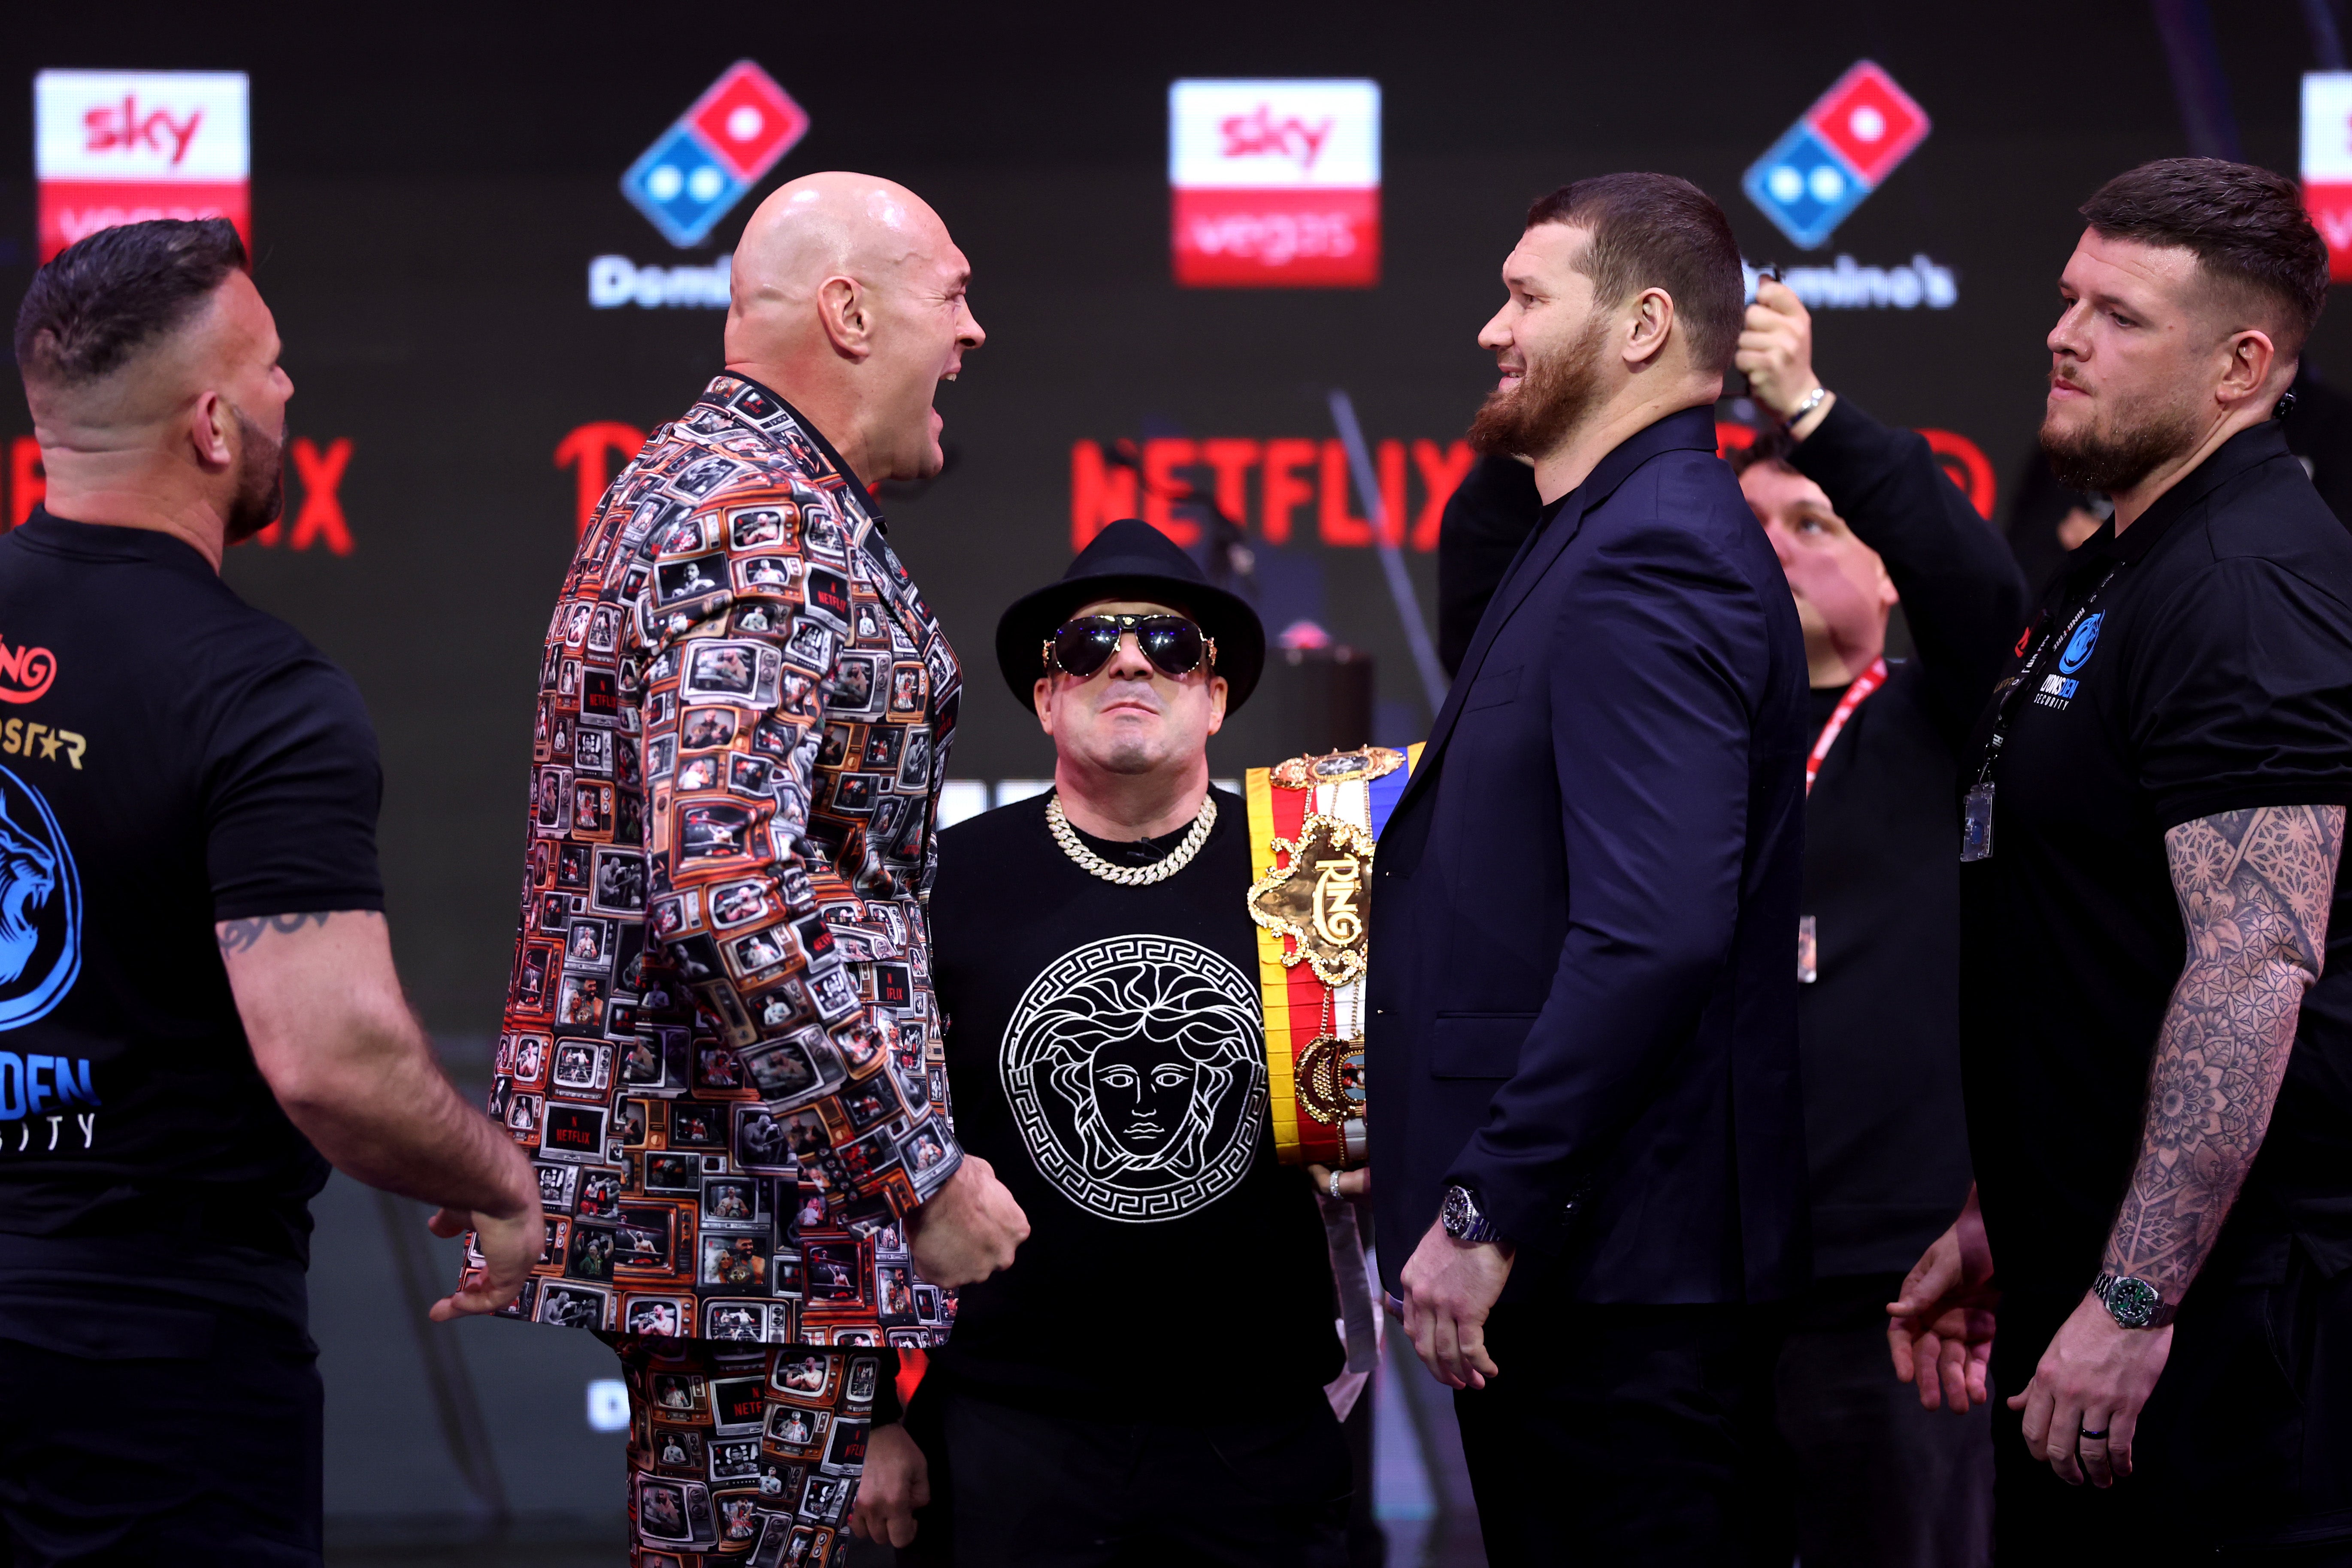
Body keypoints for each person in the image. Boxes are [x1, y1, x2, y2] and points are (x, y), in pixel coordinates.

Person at [482, 172, 1028, 1568]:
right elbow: (729, 890)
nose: (973, 333)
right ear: (849, 311)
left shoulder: (721, 486)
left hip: (741, 1213)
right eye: (953, 293)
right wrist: (917, 1172)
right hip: (754, 1217)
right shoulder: (754, 514)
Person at [0, 218, 541, 1562]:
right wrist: (500, 1178)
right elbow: (334, 1059)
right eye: (276, 368)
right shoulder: (259, 693)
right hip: (147, 1361)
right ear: (212, 426)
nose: (294, 390)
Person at [1887, 158, 2352, 1556]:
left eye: (2120, 314)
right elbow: (2085, 937)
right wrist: (2006, 1215)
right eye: (2068, 298)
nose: (2064, 333)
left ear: (2241, 365)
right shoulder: (2130, 558)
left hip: (2219, 1337)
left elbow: (2254, 958)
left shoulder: (2245, 584)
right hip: (2092, 1286)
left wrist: (2136, 1297)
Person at [1363, 173, 1809, 1561]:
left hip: (1619, 1281)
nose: (1493, 328)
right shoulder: (1591, 531)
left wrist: (1491, 1202)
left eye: (1527, 295)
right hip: (1598, 1276)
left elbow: (1653, 929)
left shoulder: (1656, 548)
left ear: (1641, 326)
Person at [853, 518, 1348, 1565]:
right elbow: (861, 1139)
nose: (1127, 659)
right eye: (1086, 648)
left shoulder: (1312, 881)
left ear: (1217, 695)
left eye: (1169, 645)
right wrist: (868, 1414)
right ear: (1045, 698)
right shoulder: (943, 879)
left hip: (1256, 1428)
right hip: (1006, 1425)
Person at [1731, 281, 2028, 1566]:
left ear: (1883, 573)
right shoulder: (1671, 742)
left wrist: (1806, 413)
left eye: (1815, 523)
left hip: (1898, 1289)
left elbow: (1979, 587)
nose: (1783, 548)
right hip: (1694, 1286)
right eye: (1753, 530)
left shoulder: (1946, 718)